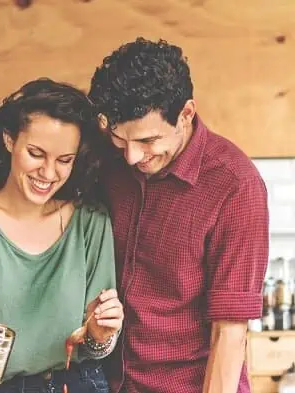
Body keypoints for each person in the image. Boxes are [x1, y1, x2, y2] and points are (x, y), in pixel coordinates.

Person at [87, 37, 269, 393]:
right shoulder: (110, 163)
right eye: (121, 140)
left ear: (186, 113)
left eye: (148, 141)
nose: (132, 158)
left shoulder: (235, 185)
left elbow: (229, 332)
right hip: (111, 384)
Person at [0, 77, 125, 393]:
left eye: (64, 160)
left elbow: (95, 346)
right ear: (9, 139)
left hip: (79, 383)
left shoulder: (91, 220)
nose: (48, 174)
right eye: (36, 153)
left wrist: (102, 334)